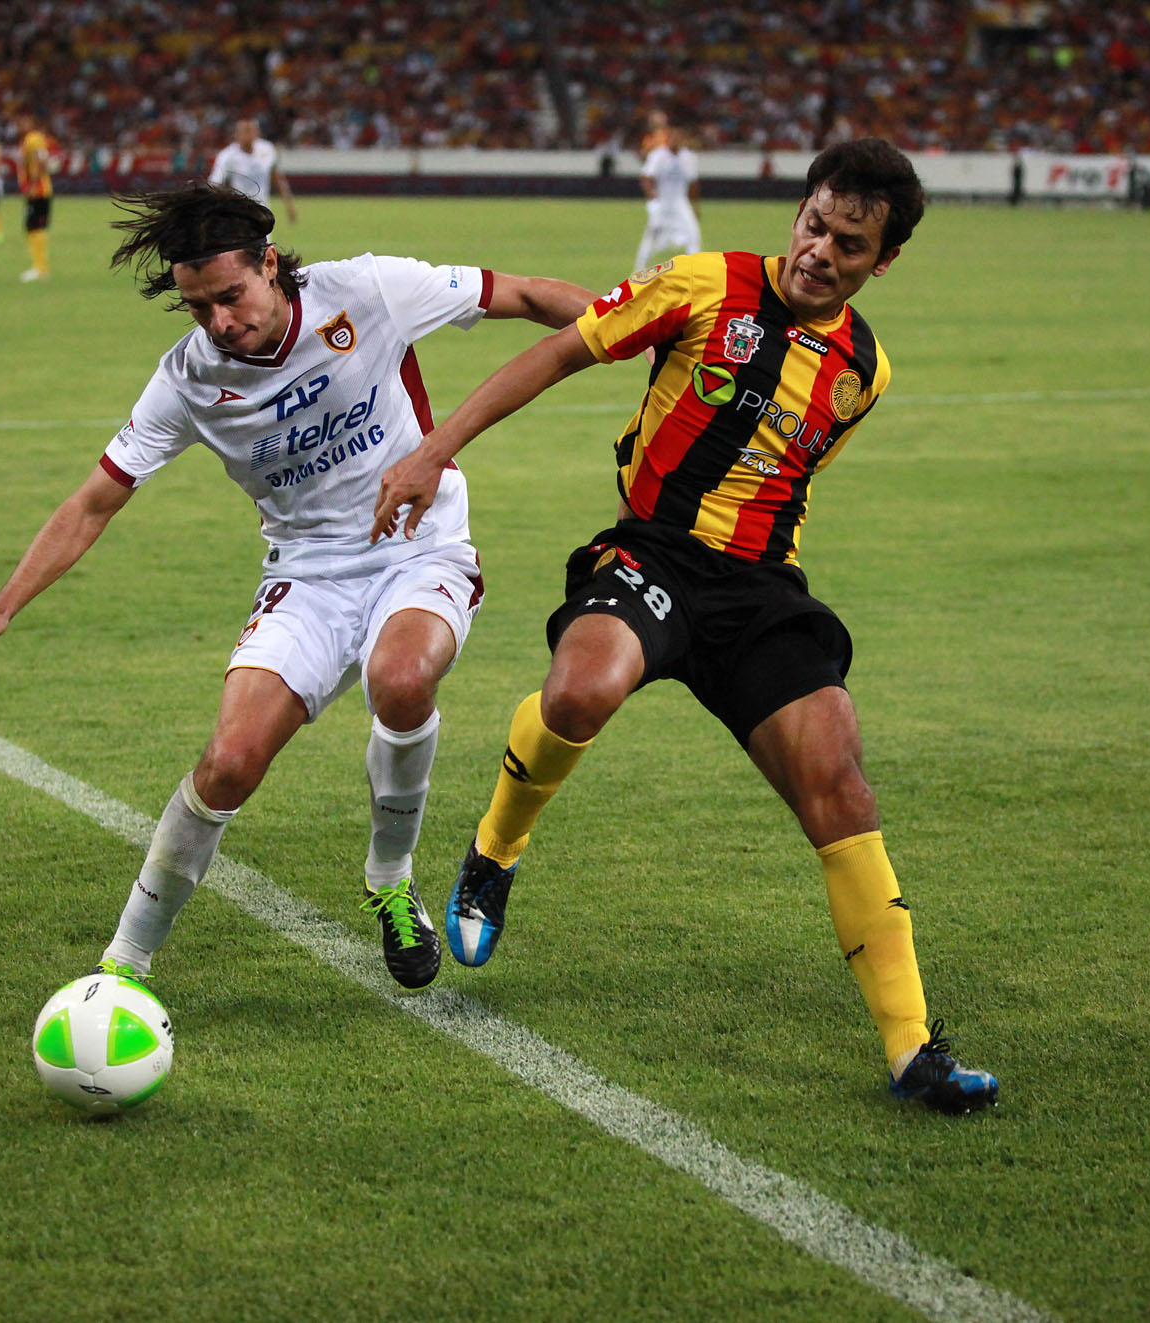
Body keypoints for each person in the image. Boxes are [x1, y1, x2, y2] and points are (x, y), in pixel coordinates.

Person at [372, 138, 1000, 1115]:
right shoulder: (704, 284)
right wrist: (435, 452)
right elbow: (556, 352)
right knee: (580, 692)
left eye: (847, 244)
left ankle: (913, 1049)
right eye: (813, 226)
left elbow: (786, 476)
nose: (818, 252)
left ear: (883, 261)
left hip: (759, 591)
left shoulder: (862, 371)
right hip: (652, 553)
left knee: (834, 777)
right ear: (798, 214)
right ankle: (494, 853)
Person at [0, 183, 593, 992]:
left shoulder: (367, 290)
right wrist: (4, 600)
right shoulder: (188, 378)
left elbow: (520, 294)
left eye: (231, 296)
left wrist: (640, 321)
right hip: (305, 574)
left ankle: (390, 880)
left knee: (403, 677)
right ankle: (121, 967)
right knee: (229, 762)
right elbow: (98, 497)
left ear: (270, 266)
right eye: (198, 307)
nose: (219, 322)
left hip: (418, 546)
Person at [635, 116, 701, 269]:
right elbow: (646, 177)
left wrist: (696, 207)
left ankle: (695, 270)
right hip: (662, 201)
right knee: (652, 235)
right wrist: (653, 196)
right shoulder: (658, 156)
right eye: (672, 137)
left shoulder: (688, 157)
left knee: (693, 234)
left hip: (680, 202)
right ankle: (640, 268)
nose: (675, 140)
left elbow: (693, 184)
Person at [207, 119, 298, 224]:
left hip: (262, 212)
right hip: (238, 212)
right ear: (236, 135)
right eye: (245, 131)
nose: (248, 135)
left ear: (257, 133)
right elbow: (214, 183)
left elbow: (277, 178)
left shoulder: (267, 150)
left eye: (251, 131)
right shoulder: (227, 156)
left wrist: (289, 205)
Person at [15, 113, 54, 281]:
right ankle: (40, 267)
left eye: (25, 120)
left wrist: (32, 185)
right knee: (34, 227)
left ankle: (40, 268)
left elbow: (42, 161)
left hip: (38, 191)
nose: (21, 124)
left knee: (34, 227)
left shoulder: (34, 139)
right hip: (37, 190)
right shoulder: (30, 140)